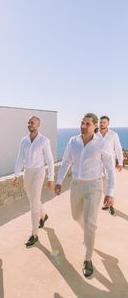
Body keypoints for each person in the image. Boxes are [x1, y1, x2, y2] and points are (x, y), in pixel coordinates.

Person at [55, 113, 115, 278]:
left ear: (95, 126)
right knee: (76, 216)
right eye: (82, 123)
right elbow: (66, 161)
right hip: (76, 185)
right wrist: (59, 181)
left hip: (94, 186)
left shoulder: (101, 143)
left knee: (89, 222)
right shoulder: (73, 141)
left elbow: (110, 168)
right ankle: (90, 232)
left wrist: (110, 192)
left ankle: (87, 259)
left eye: (87, 124)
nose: (83, 126)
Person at [13, 116, 55, 246]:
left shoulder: (44, 141)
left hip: (38, 172)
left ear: (38, 125)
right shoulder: (24, 141)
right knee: (33, 199)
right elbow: (20, 158)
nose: (30, 124)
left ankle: (34, 234)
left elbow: (50, 160)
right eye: (29, 122)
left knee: (33, 203)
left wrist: (51, 178)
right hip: (27, 172)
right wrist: (16, 175)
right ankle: (44, 216)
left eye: (32, 122)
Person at [98, 116, 123, 214]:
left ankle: (111, 204)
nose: (102, 124)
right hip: (98, 163)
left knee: (110, 183)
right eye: (101, 122)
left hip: (110, 163)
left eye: (104, 122)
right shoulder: (95, 134)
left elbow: (118, 149)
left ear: (108, 123)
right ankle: (107, 202)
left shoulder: (113, 134)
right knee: (102, 184)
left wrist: (120, 162)